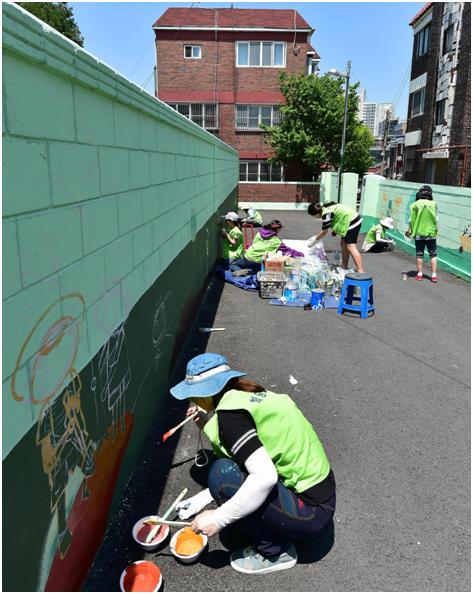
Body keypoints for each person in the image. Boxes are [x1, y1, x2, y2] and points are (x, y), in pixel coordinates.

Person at [170, 353, 336, 575]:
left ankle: (277, 551)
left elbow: (264, 476)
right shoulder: (248, 394)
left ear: (208, 390)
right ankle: (272, 526)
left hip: (312, 512)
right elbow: (239, 447)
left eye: (195, 395)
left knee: (221, 476)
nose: (193, 401)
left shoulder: (230, 415)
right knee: (229, 470)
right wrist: (207, 423)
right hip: (321, 493)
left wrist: (219, 518)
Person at [307, 202, 365, 273]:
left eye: (312, 216)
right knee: (343, 243)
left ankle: (361, 271)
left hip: (352, 221)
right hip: (350, 220)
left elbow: (324, 231)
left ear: (315, 214)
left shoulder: (326, 214)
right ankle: (344, 266)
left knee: (351, 247)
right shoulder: (326, 209)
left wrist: (315, 240)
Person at [230, 220, 304, 275]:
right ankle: (252, 272)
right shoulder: (276, 241)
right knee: (261, 269)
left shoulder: (259, 233)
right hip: (259, 262)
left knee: (233, 265)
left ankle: (245, 271)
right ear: (278, 229)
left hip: (248, 257)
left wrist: (248, 250)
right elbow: (289, 251)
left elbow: (252, 243)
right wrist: (301, 254)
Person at [405, 185, 438, 282]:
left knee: (419, 254)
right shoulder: (434, 204)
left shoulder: (414, 205)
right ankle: (434, 276)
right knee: (433, 255)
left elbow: (411, 220)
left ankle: (419, 274)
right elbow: (436, 219)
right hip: (431, 233)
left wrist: (409, 231)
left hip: (418, 233)